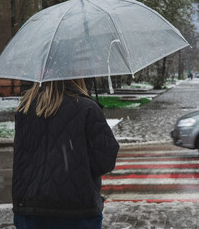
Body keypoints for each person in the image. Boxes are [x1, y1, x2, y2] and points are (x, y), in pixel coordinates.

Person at [12, 79, 119, 229]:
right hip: (76, 211)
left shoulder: (25, 108)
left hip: (30, 210)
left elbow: (22, 158)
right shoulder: (87, 108)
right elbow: (105, 161)